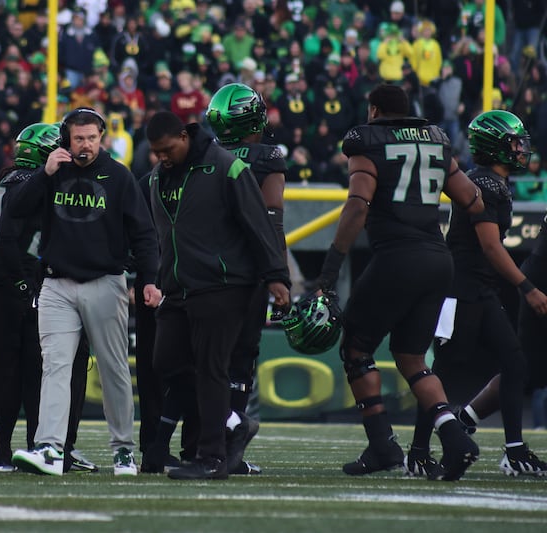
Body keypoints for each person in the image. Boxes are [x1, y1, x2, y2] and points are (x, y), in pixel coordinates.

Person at [314, 84, 483, 481]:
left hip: (397, 257)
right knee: (411, 359)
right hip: (438, 259)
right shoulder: (437, 140)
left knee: (356, 347)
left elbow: (358, 205)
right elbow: (471, 200)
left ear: (373, 110)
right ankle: (456, 437)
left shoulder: (366, 140)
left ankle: (382, 446)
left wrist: (330, 267)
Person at [11, 108, 161, 476]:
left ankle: (123, 450)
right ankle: (49, 447)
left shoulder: (119, 177)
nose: (85, 145)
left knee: (113, 370)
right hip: (57, 283)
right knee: (56, 367)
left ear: (101, 137)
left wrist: (150, 279)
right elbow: (16, 209)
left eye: (92, 138)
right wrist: (43, 175)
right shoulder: (51, 172)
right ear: (66, 139)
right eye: (78, 138)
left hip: (105, 282)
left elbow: (143, 234)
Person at [145, 110, 291, 480]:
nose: (161, 156)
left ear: (184, 136)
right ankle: (231, 420)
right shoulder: (158, 177)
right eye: (155, 151)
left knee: (211, 368)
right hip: (178, 286)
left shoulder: (225, 166)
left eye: (166, 149)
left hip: (223, 283)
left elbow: (258, 221)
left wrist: (276, 276)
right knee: (166, 360)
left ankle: (211, 457)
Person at [408, 110, 547, 478]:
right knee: (444, 372)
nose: (522, 150)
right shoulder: (486, 184)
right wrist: (527, 287)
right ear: (496, 147)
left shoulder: (490, 182)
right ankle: (418, 452)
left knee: (516, 364)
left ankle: (515, 451)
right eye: (515, 143)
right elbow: (490, 246)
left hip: (480, 288)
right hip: (462, 289)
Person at [0, 123, 98, 474]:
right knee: (8, 370)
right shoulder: (30, 182)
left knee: (23, 370)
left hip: (6, 279)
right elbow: (6, 242)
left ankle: (22, 449)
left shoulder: (10, 179)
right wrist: (25, 286)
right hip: (7, 282)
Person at [206, 82, 289, 475]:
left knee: (208, 358)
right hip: (249, 271)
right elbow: (272, 218)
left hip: (206, 267)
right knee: (240, 360)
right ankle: (230, 438)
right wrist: (279, 273)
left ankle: (212, 442)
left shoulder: (204, 154)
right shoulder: (267, 157)